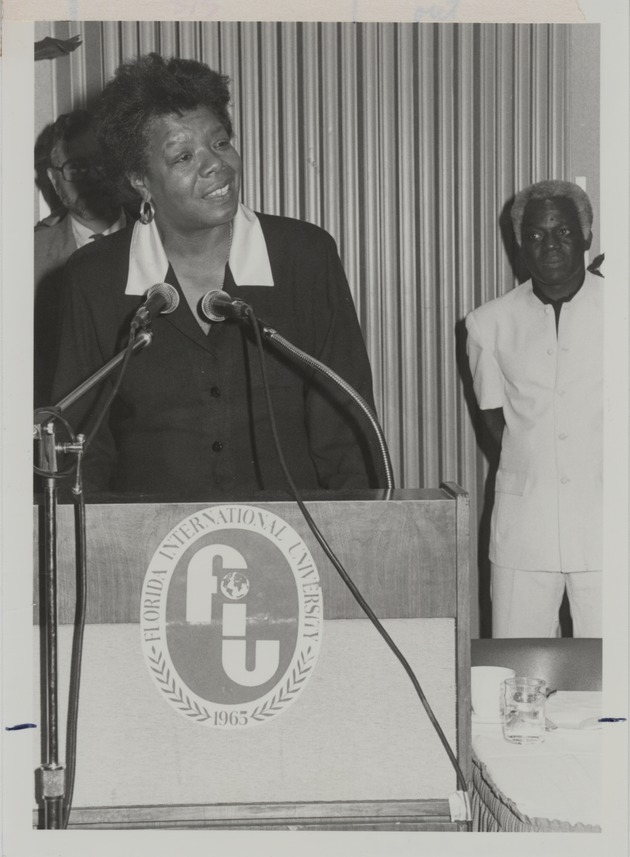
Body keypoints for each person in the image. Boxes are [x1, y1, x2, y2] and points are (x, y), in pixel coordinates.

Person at [51, 54, 377, 497]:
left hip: (292, 545)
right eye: (183, 156)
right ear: (140, 180)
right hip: (149, 551)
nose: (215, 165)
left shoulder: (305, 255)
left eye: (220, 143)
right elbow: (83, 447)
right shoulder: (94, 277)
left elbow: (346, 432)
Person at [466, 180, 602, 638]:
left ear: (586, 236)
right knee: (516, 674)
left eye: (562, 232)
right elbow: (492, 420)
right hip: (525, 529)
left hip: (609, 527)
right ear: (520, 243)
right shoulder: (489, 323)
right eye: (537, 235)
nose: (550, 246)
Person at [34, 110, 130, 405]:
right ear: (52, 178)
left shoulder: (162, 236)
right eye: (76, 168)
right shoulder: (28, 258)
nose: (93, 178)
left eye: (102, 163)